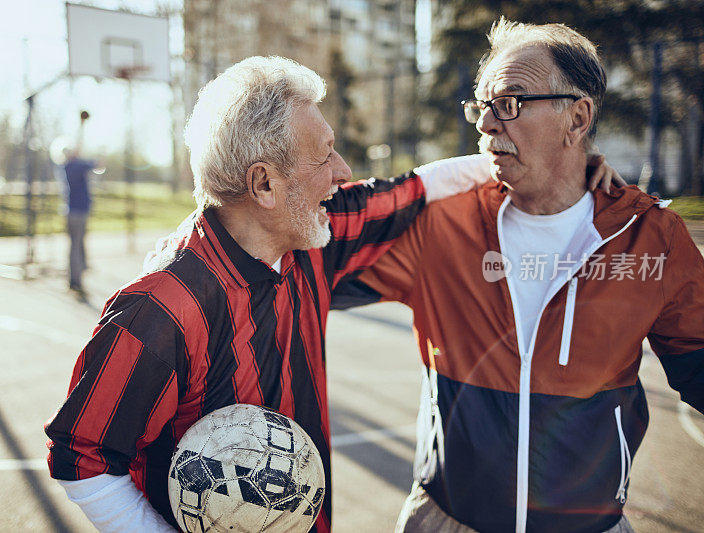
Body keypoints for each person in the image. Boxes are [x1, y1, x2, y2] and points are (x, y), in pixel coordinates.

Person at [43, 56, 511, 533]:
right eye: (325, 154)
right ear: (265, 184)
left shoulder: (308, 239)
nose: (343, 170)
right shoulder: (162, 307)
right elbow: (82, 454)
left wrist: (559, 166)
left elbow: (414, 189)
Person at [334, 19, 704, 533]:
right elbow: (311, 256)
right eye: (480, 107)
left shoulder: (649, 239)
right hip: (448, 518)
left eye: (508, 103)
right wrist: (430, 180)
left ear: (577, 118)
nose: (485, 124)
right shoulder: (440, 224)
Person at [62, 148, 96, 292]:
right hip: (76, 213)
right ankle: (75, 280)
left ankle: (81, 269)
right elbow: (91, 163)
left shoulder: (72, 166)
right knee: (75, 246)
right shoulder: (72, 166)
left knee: (79, 243)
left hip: (78, 212)